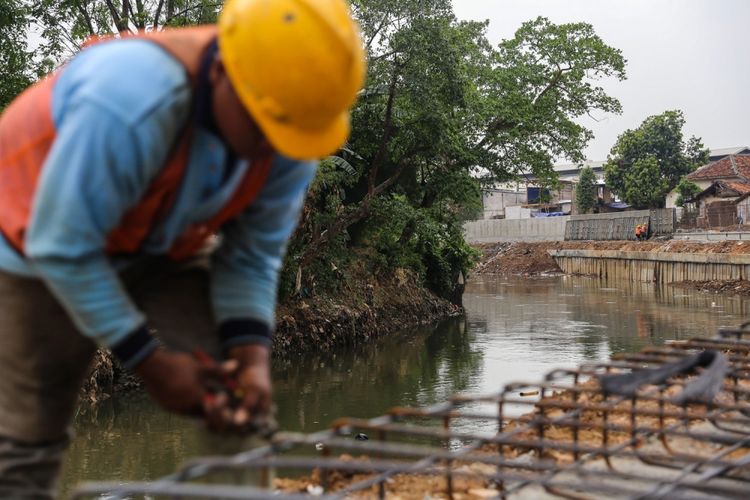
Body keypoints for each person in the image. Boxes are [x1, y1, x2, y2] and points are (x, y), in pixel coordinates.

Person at [0, 0, 365, 496]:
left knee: (234, 395)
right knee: (29, 433)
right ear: (224, 73)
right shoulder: (132, 100)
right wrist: (149, 363)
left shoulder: (291, 130)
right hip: (37, 244)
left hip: (162, 239)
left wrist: (253, 357)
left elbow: (251, 256)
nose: (274, 149)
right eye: (264, 127)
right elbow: (62, 245)